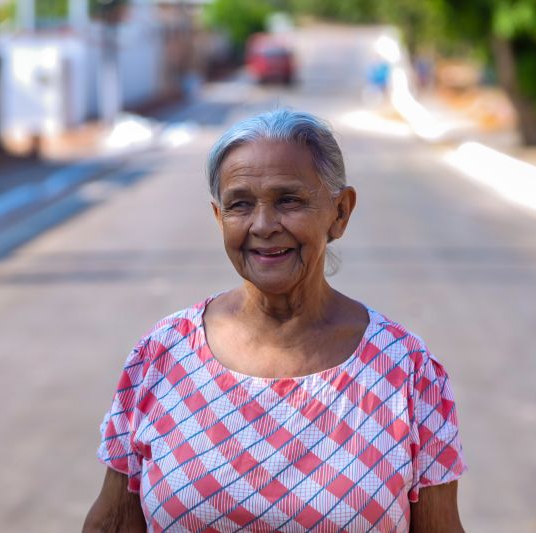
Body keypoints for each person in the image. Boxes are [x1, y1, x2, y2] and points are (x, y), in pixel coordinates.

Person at [83, 109, 467, 532]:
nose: (263, 226)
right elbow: (114, 523)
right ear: (219, 218)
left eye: (289, 200)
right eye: (240, 204)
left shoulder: (407, 371)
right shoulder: (161, 356)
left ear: (340, 212)